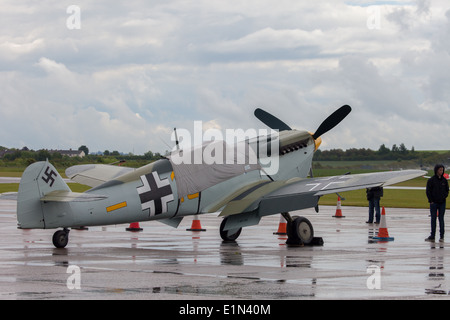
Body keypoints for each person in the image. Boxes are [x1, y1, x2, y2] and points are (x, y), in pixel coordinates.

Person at [425, 164, 449, 242]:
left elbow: (447, 190)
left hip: (442, 202)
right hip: (433, 203)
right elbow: (428, 191)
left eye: (442, 170)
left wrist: (444, 197)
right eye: (440, 170)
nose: (441, 172)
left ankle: (441, 236)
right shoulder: (431, 180)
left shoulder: (444, 181)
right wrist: (431, 200)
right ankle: (432, 236)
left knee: (441, 219)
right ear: (436, 170)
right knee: (433, 219)